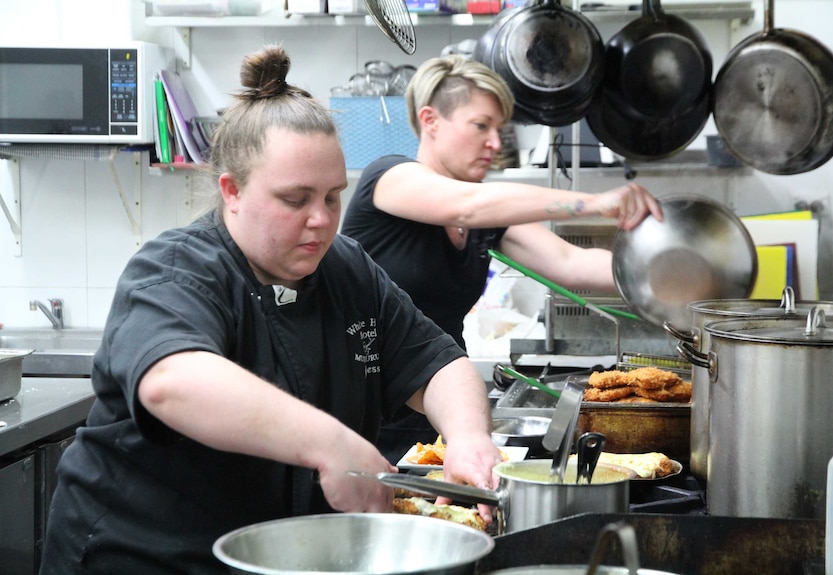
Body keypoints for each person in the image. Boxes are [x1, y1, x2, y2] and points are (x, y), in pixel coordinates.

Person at [40, 45, 502, 575]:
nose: (321, 220)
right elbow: (172, 380)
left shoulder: (346, 268)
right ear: (232, 191)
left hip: (276, 556)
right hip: (145, 556)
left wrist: (467, 439)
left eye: (332, 197)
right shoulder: (178, 268)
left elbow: (438, 363)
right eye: (294, 199)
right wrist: (329, 443)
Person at [341, 55, 664, 463]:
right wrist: (595, 203)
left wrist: (662, 277)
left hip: (440, 408)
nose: (495, 143)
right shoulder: (389, 178)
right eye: (481, 126)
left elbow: (569, 262)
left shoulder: (482, 211)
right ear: (431, 120)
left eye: (499, 128)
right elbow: (466, 206)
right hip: (370, 412)